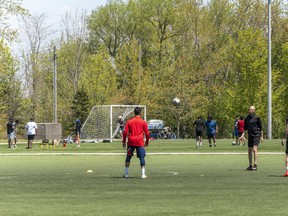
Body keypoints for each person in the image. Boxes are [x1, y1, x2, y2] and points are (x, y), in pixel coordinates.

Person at [122, 107, 150, 179]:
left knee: (128, 157)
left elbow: (125, 132)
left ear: (134, 112)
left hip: (131, 142)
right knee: (141, 157)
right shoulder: (143, 122)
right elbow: (147, 133)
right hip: (140, 142)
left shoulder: (129, 121)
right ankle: (143, 174)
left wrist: (124, 141)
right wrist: (147, 142)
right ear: (140, 113)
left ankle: (126, 174)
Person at [239, 106, 263, 171]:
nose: (250, 110)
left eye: (251, 109)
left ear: (254, 110)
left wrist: (261, 136)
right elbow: (245, 128)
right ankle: (250, 165)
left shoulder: (257, 118)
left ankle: (255, 165)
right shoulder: (247, 118)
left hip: (256, 135)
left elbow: (260, 128)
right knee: (249, 150)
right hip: (250, 136)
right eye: (249, 109)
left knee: (254, 149)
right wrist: (242, 135)